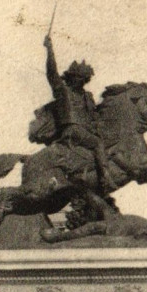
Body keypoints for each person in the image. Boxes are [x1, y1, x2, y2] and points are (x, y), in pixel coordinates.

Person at [41, 33, 111, 193]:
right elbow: (51, 72)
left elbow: (94, 116)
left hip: (85, 131)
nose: (82, 81)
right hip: (72, 130)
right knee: (98, 144)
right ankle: (105, 178)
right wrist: (49, 50)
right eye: (79, 77)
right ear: (71, 77)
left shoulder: (88, 96)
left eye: (84, 78)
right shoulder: (62, 90)